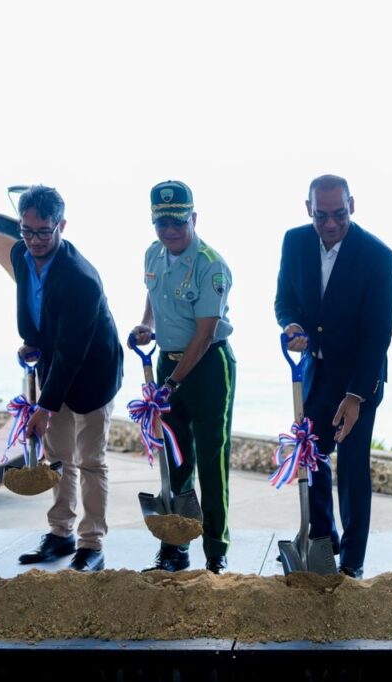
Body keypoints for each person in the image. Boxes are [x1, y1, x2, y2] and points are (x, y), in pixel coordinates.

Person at [274, 174, 392, 579]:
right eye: (321, 215)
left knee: (353, 469)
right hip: (316, 373)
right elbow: (284, 300)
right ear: (308, 209)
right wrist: (292, 325)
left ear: (352, 206)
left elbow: (377, 334)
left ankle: (353, 560)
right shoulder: (294, 242)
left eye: (339, 214)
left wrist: (355, 396)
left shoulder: (378, 256)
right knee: (313, 458)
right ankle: (322, 543)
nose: (330, 224)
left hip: (360, 378)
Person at [13, 185, 123, 572]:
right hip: (55, 368)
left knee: (90, 461)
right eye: (27, 230)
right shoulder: (19, 253)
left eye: (43, 231)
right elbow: (34, 307)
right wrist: (32, 342)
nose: (34, 240)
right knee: (58, 457)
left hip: (93, 373)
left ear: (61, 225)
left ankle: (92, 544)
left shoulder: (82, 279)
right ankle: (61, 534)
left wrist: (44, 407)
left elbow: (73, 351)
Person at [130, 180, 236, 575]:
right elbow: (153, 292)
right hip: (167, 364)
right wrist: (146, 325)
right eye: (162, 223)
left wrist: (172, 384)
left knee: (211, 460)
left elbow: (205, 335)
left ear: (194, 218)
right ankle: (175, 547)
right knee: (174, 460)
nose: (170, 231)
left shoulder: (211, 265)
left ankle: (216, 551)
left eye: (178, 222)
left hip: (208, 367)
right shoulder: (153, 254)